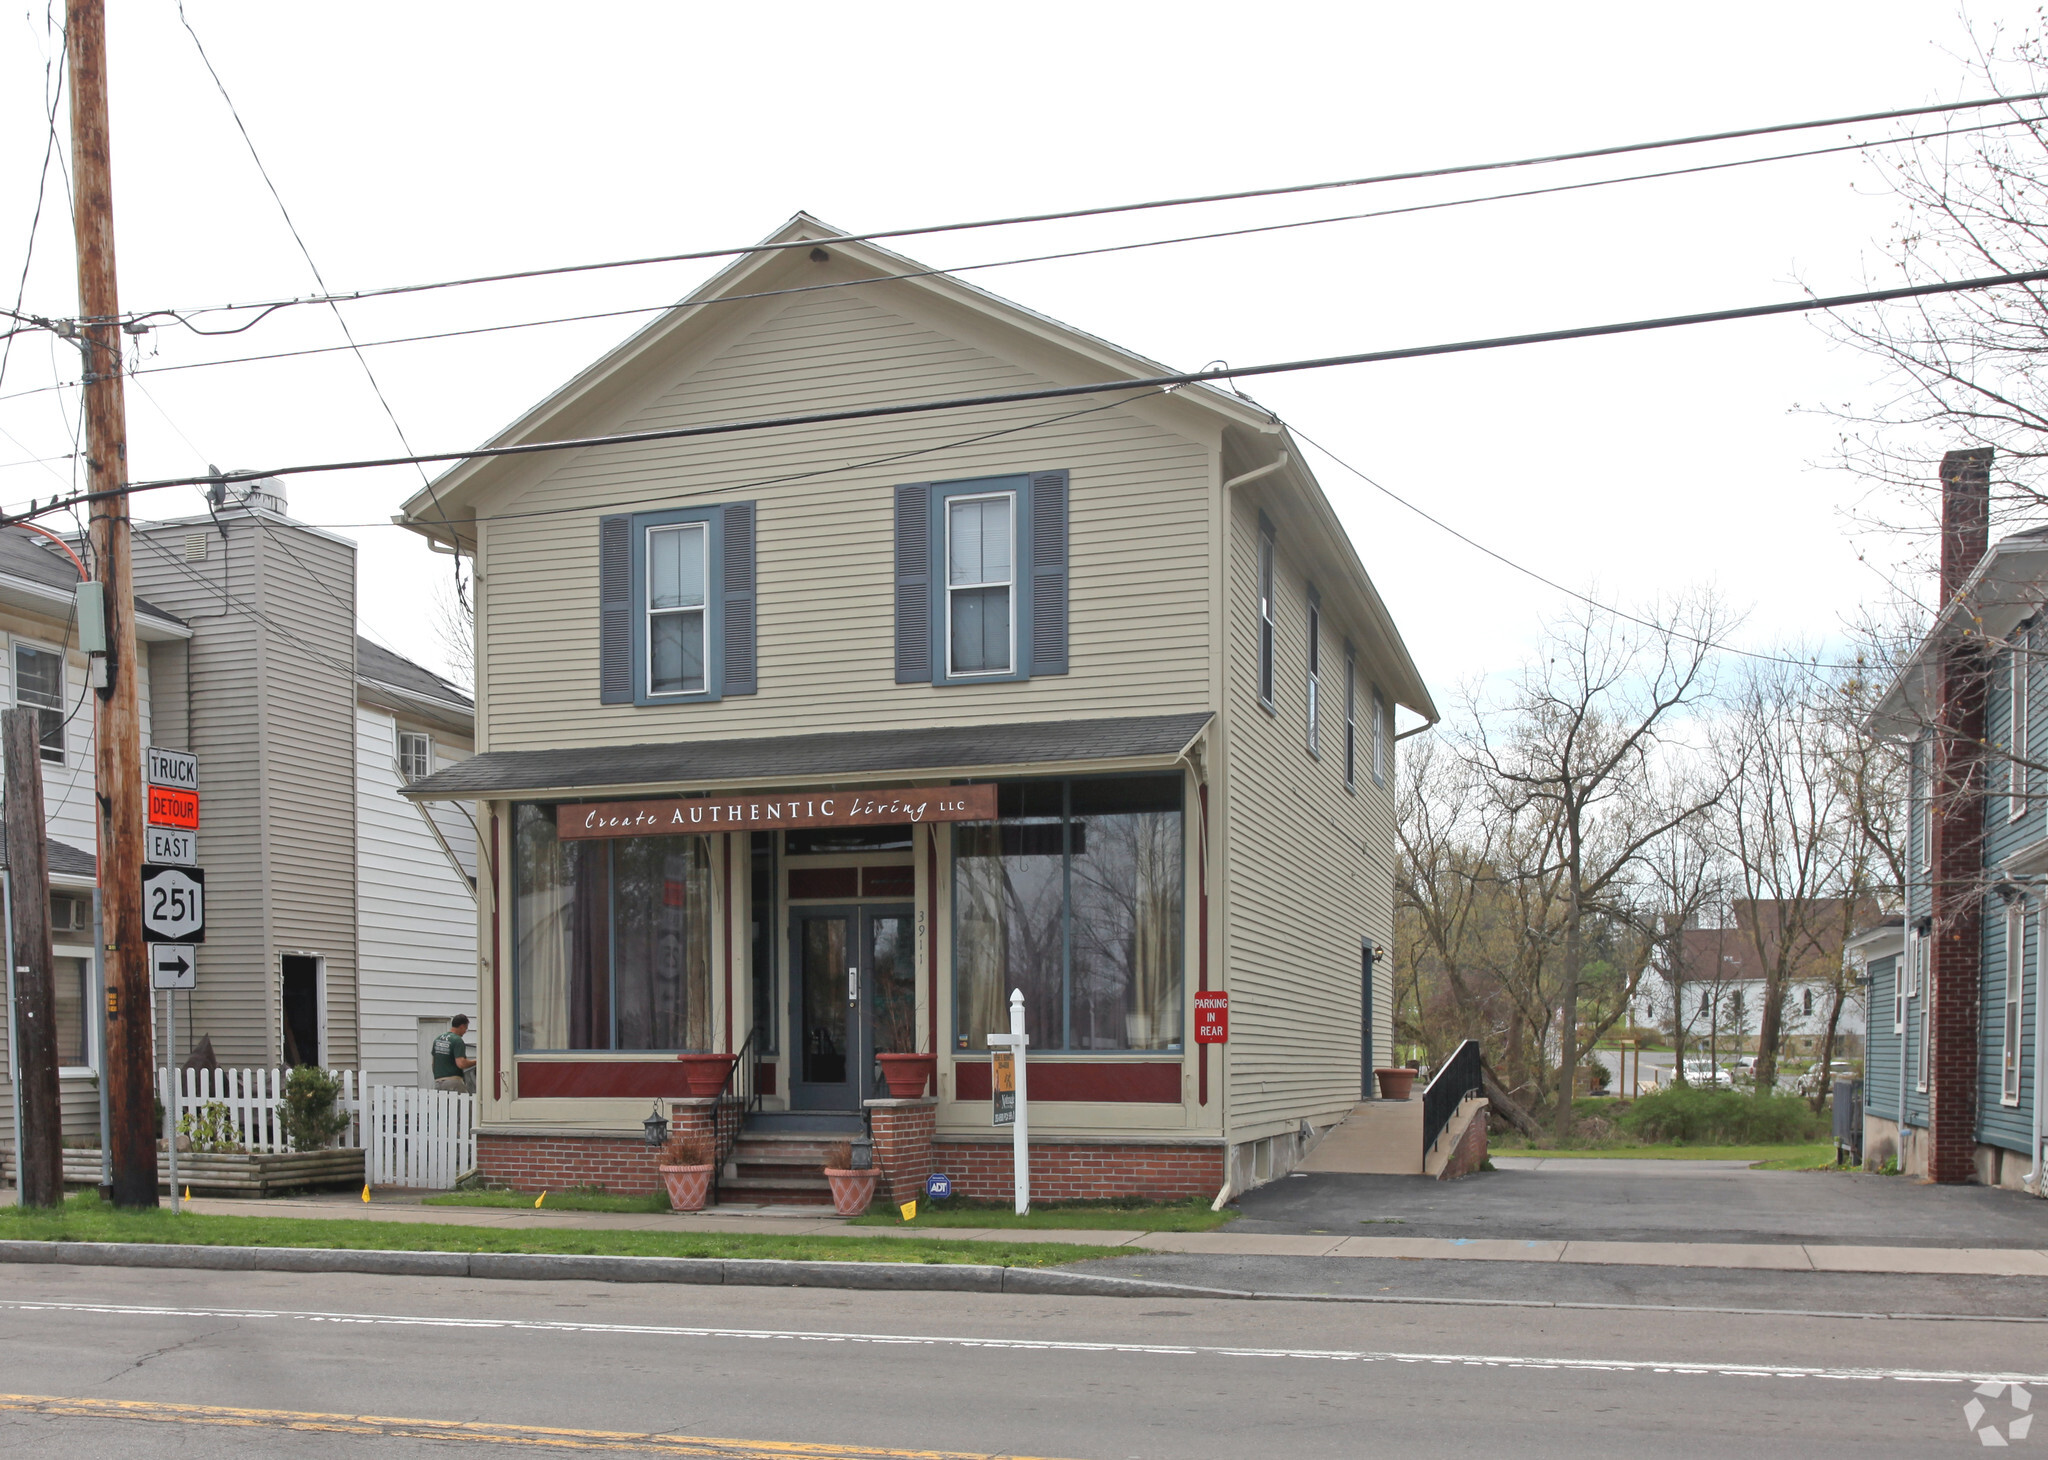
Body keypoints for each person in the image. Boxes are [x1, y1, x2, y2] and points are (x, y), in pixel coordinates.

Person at [432, 1015, 475, 1093]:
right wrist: (477, 1061)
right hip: (453, 1081)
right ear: (462, 1026)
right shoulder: (457, 1040)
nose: (465, 1031)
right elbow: (461, 1064)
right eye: (466, 1028)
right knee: (463, 1104)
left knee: (443, 1105)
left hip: (438, 1082)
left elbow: (433, 1062)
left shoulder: (438, 1039)